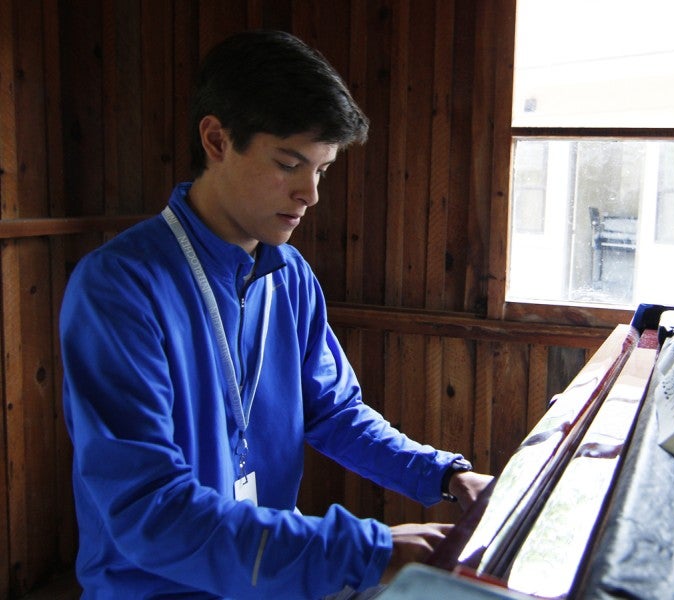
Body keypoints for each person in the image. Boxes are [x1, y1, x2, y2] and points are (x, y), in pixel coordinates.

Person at [60, 29, 491, 599]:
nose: (309, 194)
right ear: (216, 139)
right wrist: (369, 549)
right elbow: (151, 513)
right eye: (290, 163)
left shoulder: (289, 275)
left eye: (322, 170)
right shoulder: (119, 287)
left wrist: (444, 474)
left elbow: (335, 413)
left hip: (273, 579)